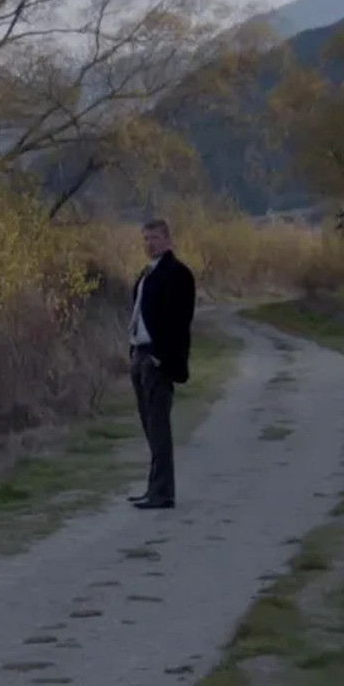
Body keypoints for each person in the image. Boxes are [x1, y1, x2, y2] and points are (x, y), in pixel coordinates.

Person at [128, 218, 195, 510]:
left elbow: (180, 322)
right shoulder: (147, 274)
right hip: (139, 354)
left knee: (159, 427)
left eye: (154, 237)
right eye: (145, 238)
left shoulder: (177, 274)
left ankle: (163, 492)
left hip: (157, 359)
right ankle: (154, 488)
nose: (148, 243)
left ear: (168, 239)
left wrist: (162, 357)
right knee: (149, 426)